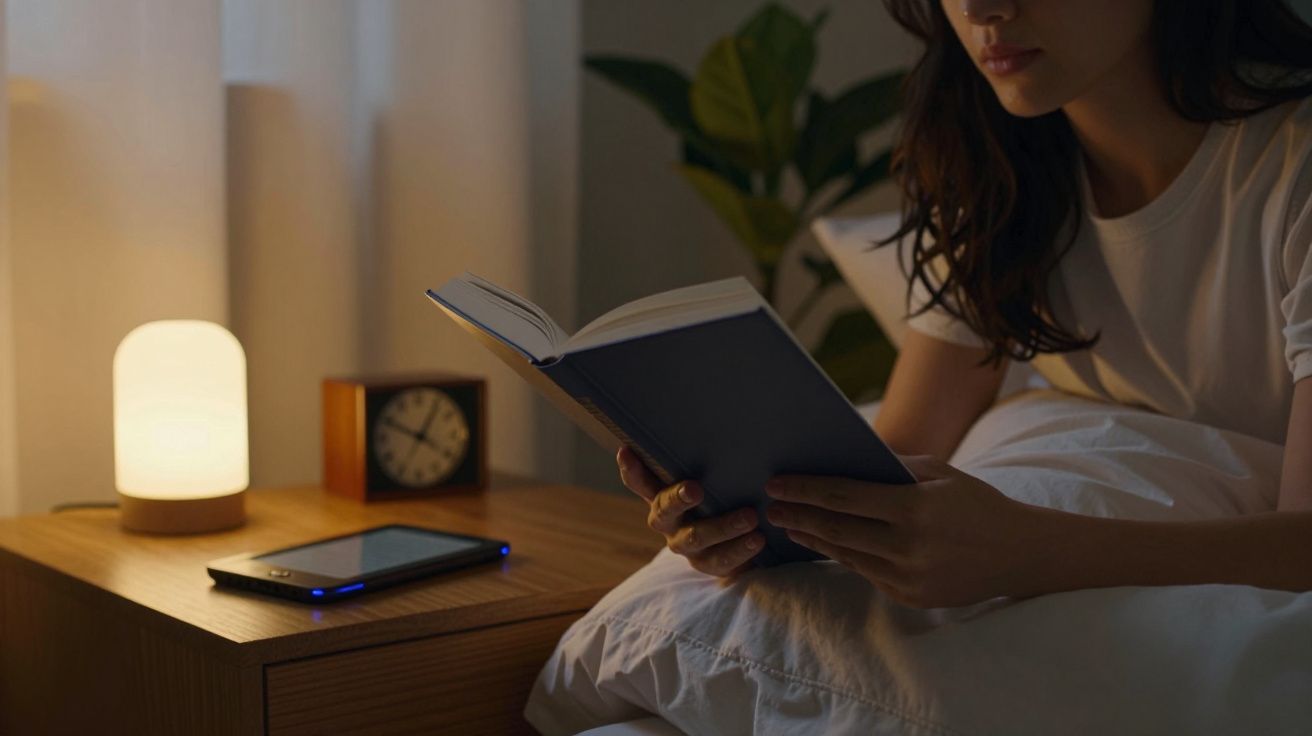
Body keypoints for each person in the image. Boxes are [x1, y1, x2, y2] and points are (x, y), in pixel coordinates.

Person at [615, 0, 1312, 608]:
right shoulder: (1001, 172)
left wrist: (1026, 551)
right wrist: (744, 522)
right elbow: (902, 450)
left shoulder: (1291, 168)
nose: (980, 8)